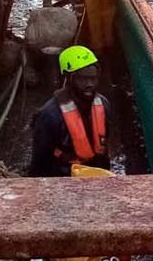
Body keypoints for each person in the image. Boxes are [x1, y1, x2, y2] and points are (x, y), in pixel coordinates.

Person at [29, 45, 110, 177]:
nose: (90, 84)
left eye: (93, 78)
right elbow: (39, 160)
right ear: (68, 79)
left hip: (95, 175)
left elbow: (104, 149)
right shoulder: (49, 114)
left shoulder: (104, 105)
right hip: (63, 177)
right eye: (83, 79)